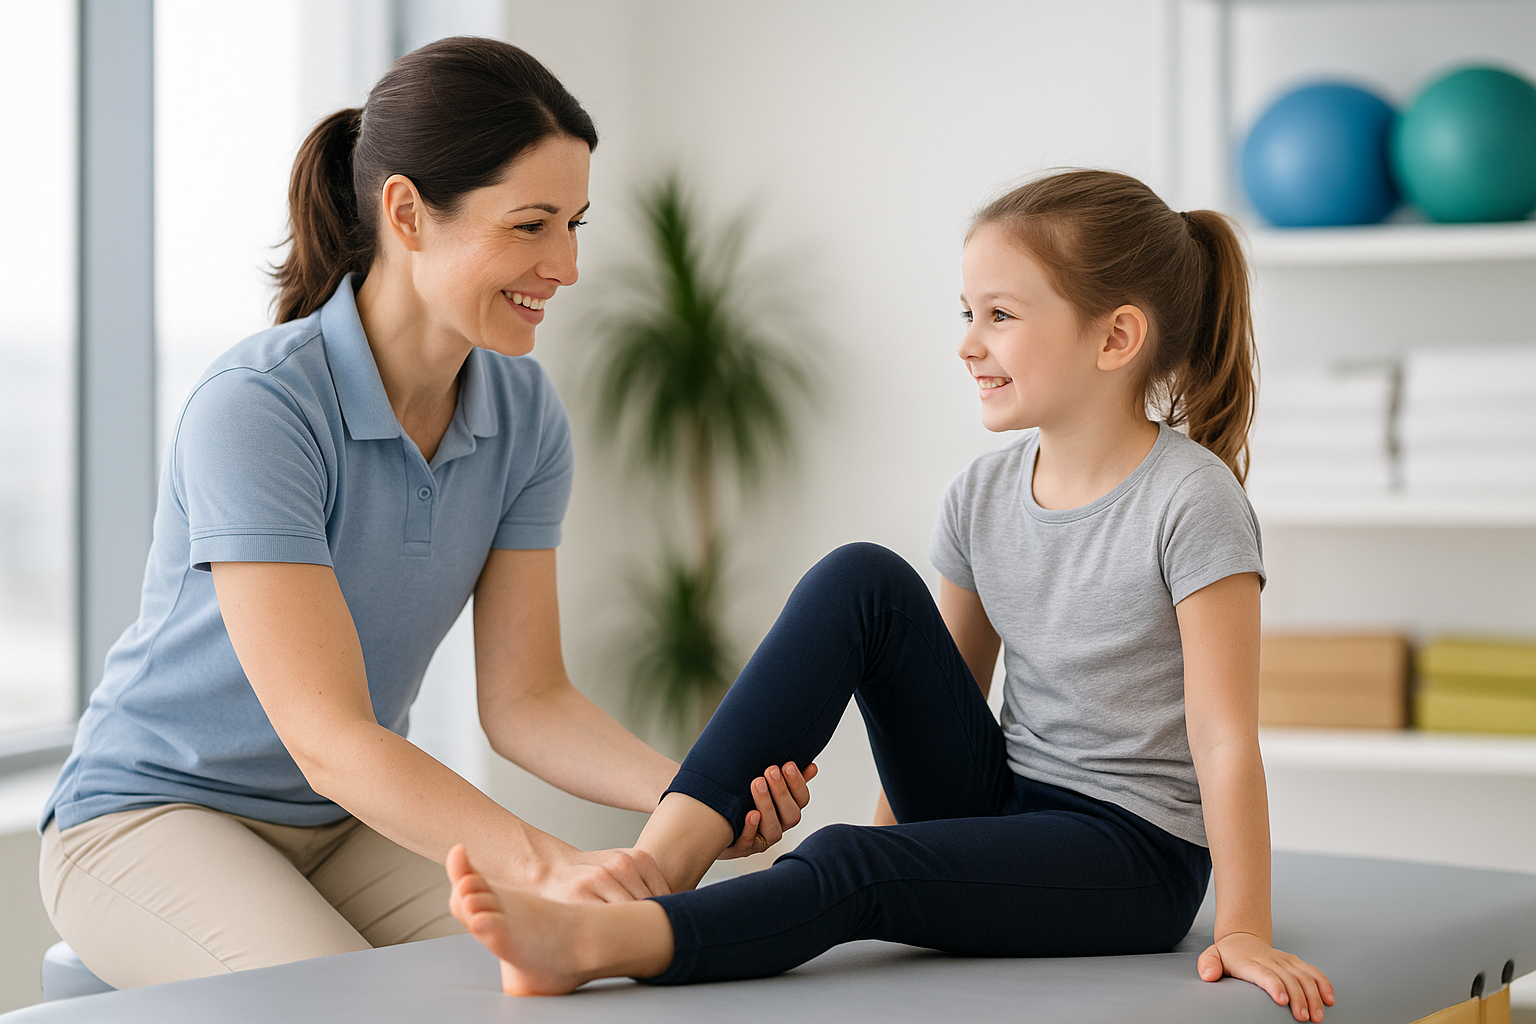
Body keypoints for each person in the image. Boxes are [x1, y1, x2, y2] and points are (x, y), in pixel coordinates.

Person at [445, 169, 1338, 1023]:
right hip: (1005, 798)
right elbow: (937, 701)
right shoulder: (982, 495)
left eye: (1000, 315)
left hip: (1129, 857)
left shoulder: (1192, 500)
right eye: (966, 313)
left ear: (1115, 338)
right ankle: (655, 865)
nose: (968, 341)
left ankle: (608, 940)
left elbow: (1223, 738)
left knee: (848, 860)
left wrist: (1242, 929)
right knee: (861, 577)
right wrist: (918, 848)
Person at [38, 36, 812, 990]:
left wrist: (692, 794)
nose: (565, 265)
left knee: (588, 964)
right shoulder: (260, 407)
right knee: (363, 1004)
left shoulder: (523, 415)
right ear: (407, 213)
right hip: (153, 817)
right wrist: (543, 861)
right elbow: (330, 739)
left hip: (344, 826)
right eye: (531, 225)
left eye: (574, 223)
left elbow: (527, 700)